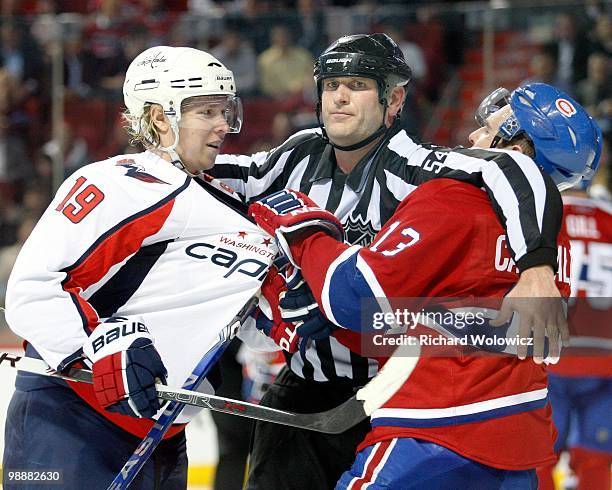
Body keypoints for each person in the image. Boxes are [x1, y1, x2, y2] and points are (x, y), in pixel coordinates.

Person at [209, 34, 573, 489]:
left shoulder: (422, 169)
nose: (339, 96)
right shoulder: (298, 153)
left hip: (385, 394)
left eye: (358, 84)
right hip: (301, 389)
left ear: (393, 98)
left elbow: (512, 168)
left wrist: (536, 267)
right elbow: (228, 179)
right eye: (332, 84)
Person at [2, 45, 276, 489]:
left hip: (165, 433)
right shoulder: (117, 183)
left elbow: (215, 315)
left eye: (225, 110)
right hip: (70, 419)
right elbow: (30, 292)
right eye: (207, 111)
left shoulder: (233, 204)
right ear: (160, 117)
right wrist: (95, 348)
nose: (224, 125)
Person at [536, 184, 612, 490]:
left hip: (549, 358)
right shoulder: (608, 216)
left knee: (540, 458)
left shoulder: (539, 215)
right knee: (595, 459)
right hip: (606, 360)